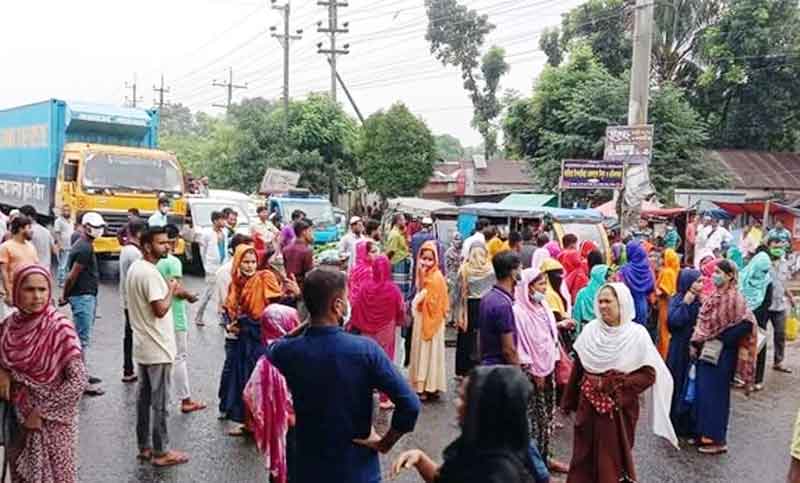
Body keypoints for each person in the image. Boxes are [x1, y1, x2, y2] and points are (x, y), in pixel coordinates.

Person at [267, 268, 421, 483]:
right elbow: (410, 404)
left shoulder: (288, 352)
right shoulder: (366, 350)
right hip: (356, 468)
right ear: (337, 306)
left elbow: (275, 346)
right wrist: (385, 444)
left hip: (307, 466)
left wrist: (309, 321)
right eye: (346, 298)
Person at [562, 283, 678, 482]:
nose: (603, 306)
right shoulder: (591, 331)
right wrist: (569, 401)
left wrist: (617, 385)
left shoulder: (636, 335)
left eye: (608, 301)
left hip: (619, 411)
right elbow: (579, 368)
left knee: (611, 460)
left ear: (622, 303)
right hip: (588, 407)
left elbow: (649, 374)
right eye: (600, 301)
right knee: (583, 456)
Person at [0, 264, 86, 483]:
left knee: (56, 476)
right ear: (17, 290)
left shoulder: (60, 328)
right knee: (20, 475)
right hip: (16, 419)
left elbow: (77, 381)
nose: (37, 296)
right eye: (29, 289)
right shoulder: (8, 326)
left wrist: (40, 413)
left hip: (52, 423)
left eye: (42, 289)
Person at [392, 366, 550, 483]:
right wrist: (420, 459)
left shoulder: (499, 474)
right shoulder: (479, 448)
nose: (457, 403)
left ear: (486, 410)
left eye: (465, 399)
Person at [126, 225, 189, 467]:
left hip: (143, 345)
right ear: (147, 246)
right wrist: (171, 289)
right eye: (162, 243)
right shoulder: (150, 273)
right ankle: (162, 452)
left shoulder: (137, 268)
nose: (167, 246)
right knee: (160, 402)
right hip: (158, 346)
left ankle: (145, 447)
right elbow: (160, 309)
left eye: (168, 242)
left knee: (143, 400)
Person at [221, 244, 298, 435]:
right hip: (242, 339)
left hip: (260, 338)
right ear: (238, 262)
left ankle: (265, 425)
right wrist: (232, 322)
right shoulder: (235, 283)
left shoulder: (264, 279)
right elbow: (229, 309)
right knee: (243, 381)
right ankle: (248, 424)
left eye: (253, 262)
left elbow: (277, 306)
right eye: (245, 262)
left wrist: (295, 295)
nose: (249, 266)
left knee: (262, 383)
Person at [691, 259, 757, 454]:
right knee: (703, 393)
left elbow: (747, 323)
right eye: (715, 272)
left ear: (730, 276)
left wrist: (721, 338)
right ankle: (703, 433)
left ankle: (717, 439)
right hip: (706, 352)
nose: (715, 275)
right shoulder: (714, 296)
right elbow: (704, 323)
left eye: (719, 272)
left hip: (722, 355)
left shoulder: (736, 298)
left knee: (716, 396)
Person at [513, 267, 569, 474]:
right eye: (539, 285)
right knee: (533, 421)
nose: (544, 289)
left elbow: (548, 336)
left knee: (546, 418)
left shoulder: (543, 306)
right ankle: (533, 467)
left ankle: (546, 457)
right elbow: (523, 345)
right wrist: (535, 371)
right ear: (527, 288)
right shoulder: (519, 311)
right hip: (531, 373)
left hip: (548, 368)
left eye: (545, 284)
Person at [243, 304, 300, 483]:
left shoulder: (266, 359)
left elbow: (249, 394)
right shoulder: (298, 355)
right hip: (297, 430)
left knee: (279, 470)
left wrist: (262, 420)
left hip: (278, 430)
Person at [157, 225, 205, 414]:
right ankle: (185, 400)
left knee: (163, 358)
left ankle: (160, 399)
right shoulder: (172, 262)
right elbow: (176, 289)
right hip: (174, 315)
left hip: (158, 314)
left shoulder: (150, 262)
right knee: (179, 358)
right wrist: (190, 296)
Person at [350, 255, 405, 409]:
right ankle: (383, 398)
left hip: (366, 331)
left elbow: (355, 307)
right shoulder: (393, 289)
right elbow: (400, 309)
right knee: (384, 362)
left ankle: (363, 395)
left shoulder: (365, 287)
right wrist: (400, 321)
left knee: (366, 362)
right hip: (386, 331)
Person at [60, 212, 105, 397]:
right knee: (81, 341)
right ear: (86, 227)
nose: (100, 230)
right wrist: (64, 295)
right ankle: (81, 381)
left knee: (82, 339)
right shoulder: (84, 248)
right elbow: (72, 275)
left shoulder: (84, 244)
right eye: (96, 227)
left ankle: (82, 374)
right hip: (83, 298)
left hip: (85, 296)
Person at [408, 240, 449, 400]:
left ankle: (427, 387)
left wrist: (416, 301)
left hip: (433, 320)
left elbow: (427, 298)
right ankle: (424, 387)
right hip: (423, 318)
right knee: (424, 353)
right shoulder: (423, 274)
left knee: (428, 353)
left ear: (436, 260)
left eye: (430, 259)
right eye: (423, 258)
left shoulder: (436, 277)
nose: (426, 262)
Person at [666, 268, 703, 438]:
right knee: (677, 381)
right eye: (698, 281)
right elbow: (673, 322)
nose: (701, 284)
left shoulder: (700, 301)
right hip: (678, 348)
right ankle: (673, 420)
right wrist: (685, 305)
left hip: (694, 348)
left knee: (690, 385)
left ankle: (687, 423)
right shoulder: (679, 299)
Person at [741, 251, 782, 391]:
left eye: (766, 270)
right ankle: (741, 377)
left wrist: (755, 316)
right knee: (743, 349)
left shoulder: (767, 281)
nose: (763, 273)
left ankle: (757, 379)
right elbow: (739, 296)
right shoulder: (744, 276)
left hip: (759, 321)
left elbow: (767, 302)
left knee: (759, 350)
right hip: (743, 319)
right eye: (762, 270)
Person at [454, 242, 495, 378]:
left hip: (469, 306)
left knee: (466, 336)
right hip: (487, 305)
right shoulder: (491, 270)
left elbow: (458, 292)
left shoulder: (464, 269)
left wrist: (456, 312)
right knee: (484, 335)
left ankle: (464, 368)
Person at [479, 251, 522, 366]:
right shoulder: (503, 305)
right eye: (519, 269)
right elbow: (508, 350)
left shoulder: (487, 297)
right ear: (513, 273)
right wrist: (517, 375)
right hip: (500, 368)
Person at [119, 219, 147, 383]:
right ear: (139, 233)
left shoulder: (126, 249)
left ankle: (128, 369)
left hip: (127, 299)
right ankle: (131, 369)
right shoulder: (134, 253)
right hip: (134, 301)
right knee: (135, 336)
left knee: (129, 335)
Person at [764, 238, 795, 375]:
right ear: (769, 246)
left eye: (780, 246)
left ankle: (778, 361)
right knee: (760, 335)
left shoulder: (784, 263)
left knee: (780, 333)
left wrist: (790, 296)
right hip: (765, 305)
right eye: (774, 245)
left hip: (780, 305)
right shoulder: (763, 263)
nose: (777, 248)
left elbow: (783, 283)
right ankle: (756, 363)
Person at [194, 211, 228, 326]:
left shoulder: (225, 232)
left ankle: (223, 317)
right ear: (215, 221)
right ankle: (199, 315)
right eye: (221, 219)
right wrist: (206, 265)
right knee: (208, 293)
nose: (224, 222)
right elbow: (202, 251)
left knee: (224, 292)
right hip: (211, 267)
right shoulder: (207, 233)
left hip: (222, 265)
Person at [0, 215, 38, 308]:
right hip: (13, 295)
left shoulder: (31, 247)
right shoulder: (6, 247)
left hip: (27, 295)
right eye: (29, 228)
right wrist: (9, 294)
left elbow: (35, 269)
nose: (32, 231)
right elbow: (3, 273)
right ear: (21, 229)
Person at [618, 241, 655, 327]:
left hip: (627, 307)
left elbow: (620, 289)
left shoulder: (624, 270)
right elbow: (651, 288)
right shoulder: (647, 270)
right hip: (643, 306)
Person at [571, 264, 610, 335]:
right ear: (600, 278)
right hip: (603, 332)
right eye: (606, 278)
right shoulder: (607, 294)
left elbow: (576, 315)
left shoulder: (582, 293)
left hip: (585, 331)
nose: (608, 280)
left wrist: (576, 334)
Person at [656, 248, 680, 358]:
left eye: (662, 257)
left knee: (663, 332)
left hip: (664, 305)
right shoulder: (675, 270)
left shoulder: (667, 272)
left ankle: (664, 355)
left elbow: (664, 291)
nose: (660, 260)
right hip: (670, 305)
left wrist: (655, 291)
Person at [19, 206, 55, 275]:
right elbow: (53, 249)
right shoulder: (46, 231)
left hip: (32, 271)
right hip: (46, 271)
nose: (20, 219)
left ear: (29, 217)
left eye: (21, 217)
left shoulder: (26, 231)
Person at [282, 220, 314, 290]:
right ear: (304, 232)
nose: (312, 234)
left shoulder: (286, 249)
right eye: (310, 231)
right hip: (301, 287)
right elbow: (309, 274)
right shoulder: (307, 251)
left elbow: (286, 267)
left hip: (289, 286)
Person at [347, 240, 375, 308]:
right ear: (365, 253)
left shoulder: (355, 268)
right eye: (373, 252)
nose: (376, 254)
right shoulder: (367, 271)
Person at [53, 205, 74, 287]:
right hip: (64, 246)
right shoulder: (58, 221)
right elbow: (57, 233)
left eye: (68, 210)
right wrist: (60, 244)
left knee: (68, 265)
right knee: (62, 265)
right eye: (65, 210)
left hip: (71, 245)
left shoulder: (71, 221)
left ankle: (67, 281)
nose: (66, 212)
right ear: (62, 211)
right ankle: (61, 281)